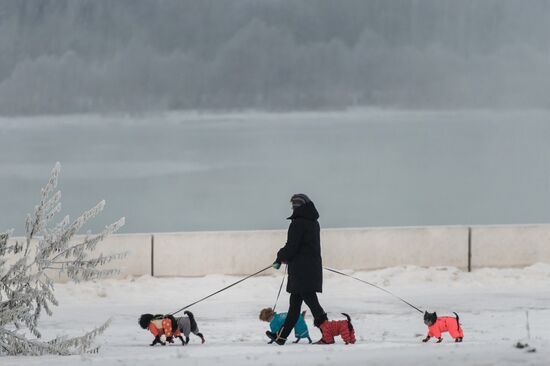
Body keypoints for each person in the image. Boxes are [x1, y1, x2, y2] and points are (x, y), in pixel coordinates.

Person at [268, 193, 328, 345]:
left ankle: (328, 334)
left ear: (297, 206)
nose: (291, 208)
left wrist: (280, 257)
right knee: (294, 306)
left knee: (313, 305)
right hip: (308, 269)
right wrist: (283, 257)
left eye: (293, 205)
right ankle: (281, 337)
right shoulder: (313, 222)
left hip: (302, 272)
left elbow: (292, 247)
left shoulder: (298, 223)